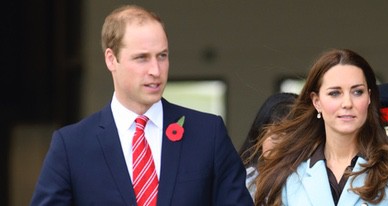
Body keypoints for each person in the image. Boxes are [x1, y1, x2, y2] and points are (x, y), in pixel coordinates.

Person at [30, 5, 253, 206]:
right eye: (142, 58)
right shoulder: (71, 146)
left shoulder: (208, 133)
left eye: (162, 56)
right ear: (111, 59)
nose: (156, 70)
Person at [253, 49, 388, 206]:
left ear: (369, 98)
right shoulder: (290, 167)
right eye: (335, 93)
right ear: (316, 101)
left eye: (357, 92)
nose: (347, 103)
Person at [238, 92, 298, 196]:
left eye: (292, 137)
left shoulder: (313, 180)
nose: (282, 144)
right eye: (276, 135)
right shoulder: (242, 183)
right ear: (259, 135)